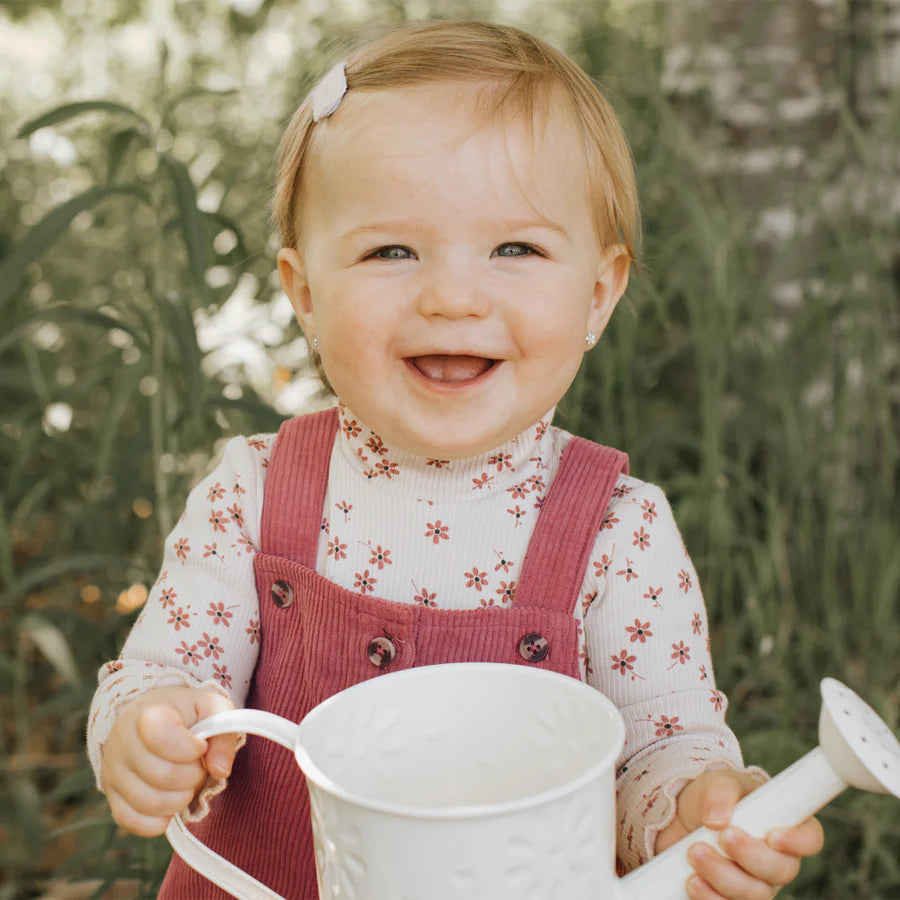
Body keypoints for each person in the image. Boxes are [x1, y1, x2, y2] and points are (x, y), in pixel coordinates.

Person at [87, 19, 824, 899]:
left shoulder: (618, 531)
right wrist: (152, 730)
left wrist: (694, 812)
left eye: (516, 248)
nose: (452, 296)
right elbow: (167, 671)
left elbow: (659, 751)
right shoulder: (253, 493)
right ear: (306, 294)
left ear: (598, 292)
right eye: (391, 250)